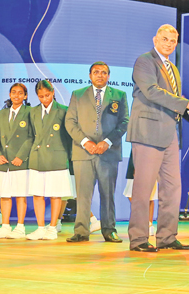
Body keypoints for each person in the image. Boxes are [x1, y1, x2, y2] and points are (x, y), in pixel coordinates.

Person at [127, 24, 189, 252]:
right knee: (143, 190)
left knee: (173, 189)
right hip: (147, 132)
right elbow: (152, 92)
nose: (168, 44)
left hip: (169, 133)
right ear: (155, 39)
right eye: (164, 39)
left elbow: (172, 101)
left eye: (173, 41)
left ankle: (166, 237)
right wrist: (187, 104)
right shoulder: (144, 61)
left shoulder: (173, 68)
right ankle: (138, 240)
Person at [64, 61, 128, 243]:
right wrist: (86, 142)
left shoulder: (119, 95)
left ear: (109, 76)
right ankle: (81, 232)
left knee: (108, 193)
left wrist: (107, 142)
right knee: (83, 194)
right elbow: (70, 122)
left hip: (108, 152)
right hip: (83, 153)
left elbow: (124, 122)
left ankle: (109, 230)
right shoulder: (78, 95)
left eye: (104, 72)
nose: (100, 75)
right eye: (96, 72)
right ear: (90, 75)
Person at [27, 80, 75, 241]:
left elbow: (70, 137)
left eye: (47, 95)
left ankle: (53, 227)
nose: (44, 99)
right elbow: (30, 135)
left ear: (53, 92)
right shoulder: (32, 112)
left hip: (57, 156)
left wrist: (68, 156)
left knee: (56, 195)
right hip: (37, 156)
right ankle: (41, 228)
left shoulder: (63, 110)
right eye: (41, 96)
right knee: (37, 194)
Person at [0, 83, 33, 239]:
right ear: (9, 94)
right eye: (13, 92)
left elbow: (31, 137)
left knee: (21, 195)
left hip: (19, 162)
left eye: (20, 93)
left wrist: (21, 156)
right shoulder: (2, 113)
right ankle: (5, 226)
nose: (16, 95)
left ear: (25, 96)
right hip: (3, 161)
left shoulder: (29, 112)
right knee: (4, 194)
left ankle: (20, 227)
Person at [122, 152, 157, 236]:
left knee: (150, 196)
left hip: (151, 158)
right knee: (131, 193)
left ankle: (149, 224)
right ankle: (144, 222)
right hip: (136, 156)